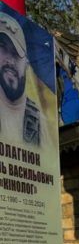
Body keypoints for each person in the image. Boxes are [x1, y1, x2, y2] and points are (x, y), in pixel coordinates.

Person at [0, 11, 41, 146]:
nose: (10, 60)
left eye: (16, 52)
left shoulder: (41, 123)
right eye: (2, 48)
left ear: (27, 64)